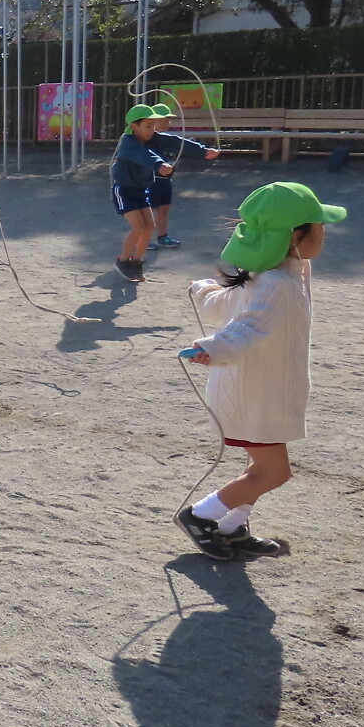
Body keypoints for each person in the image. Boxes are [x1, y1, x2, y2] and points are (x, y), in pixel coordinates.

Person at [175, 182, 347, 560]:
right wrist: (212, 349)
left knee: (261, 467)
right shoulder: (277, 282)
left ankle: (231, 526)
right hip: (252, 393)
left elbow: (223, 303)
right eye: (318, 224)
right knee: (273, 472)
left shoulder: (274, 272)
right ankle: (201, 516)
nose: (324, 231)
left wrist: (202, 290)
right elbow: (246, 329)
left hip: (261, 390)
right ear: (295, 236)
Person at [111, 104, 174, 283]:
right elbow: (146, 157)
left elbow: (172, 144)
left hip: (140, 190)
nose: (153, 129)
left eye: (153, 125)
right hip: (124, 191)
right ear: (134, 126)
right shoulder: (129, 143)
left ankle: (136, 262)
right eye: (148, 125)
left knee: (149, 227)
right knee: (139, 227)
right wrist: (159, 165)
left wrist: (203, 150)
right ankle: (122, 261)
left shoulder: (149, 141)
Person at [146, 101, 219, 248]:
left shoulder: (168, 139)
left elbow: (182, 144)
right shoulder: (148, 139)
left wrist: (204, 151)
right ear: (151, 122)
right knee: (149, 211)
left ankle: (162, 236)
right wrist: (203, 151)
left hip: (165, 180)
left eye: (167, 120)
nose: (165, 123)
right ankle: (145, 239)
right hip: (150, 180)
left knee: (164, 209)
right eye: (161, 120)